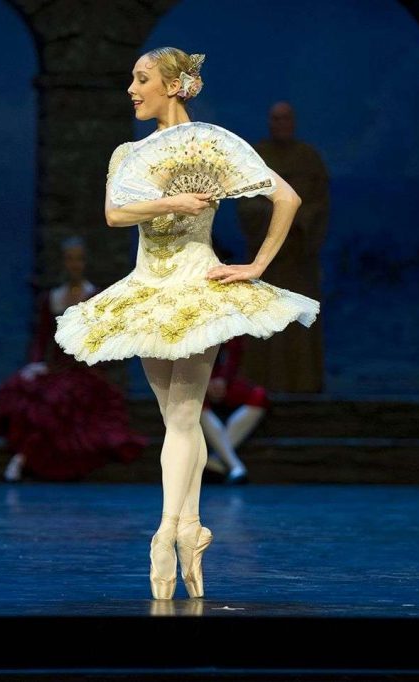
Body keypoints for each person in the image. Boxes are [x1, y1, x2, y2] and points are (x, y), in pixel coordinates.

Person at [54, 48, 319, 599]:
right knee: (180, 418)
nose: (131, 88)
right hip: (148, 286)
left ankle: (167, 531)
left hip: (197, 282)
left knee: (181, 416)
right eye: (132, 78)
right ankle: (191, 529)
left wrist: (257, 265)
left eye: (142, 78)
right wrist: (169, 200)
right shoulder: (128, 152)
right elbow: (114, 213)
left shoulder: (210, 144)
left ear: (175, 85)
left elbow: (287, 198)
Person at [0, 237, 145, 482]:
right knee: (23, 391)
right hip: (56, 368)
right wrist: (35, 364)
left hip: (85, 370)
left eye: (79, 259)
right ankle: (23, 456)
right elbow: (42, 338)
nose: (74, 265)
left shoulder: (94, 295)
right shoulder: (53, 298)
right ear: (63, 263)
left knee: (61, 399)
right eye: (69, 259)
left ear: (85, 262)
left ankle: (24, 458)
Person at [236, 102, 329, 392]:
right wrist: (275, 215)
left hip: (298, 261)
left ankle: (304, 384)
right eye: (275, 118)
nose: (281, 124)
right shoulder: (256, 158)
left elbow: (320, 205)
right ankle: (259, 386)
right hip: (265, 263)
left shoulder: (309, 159)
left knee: (298, 321)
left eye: (286, 118)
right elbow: (246, 203)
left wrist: (298, 219)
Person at [201, 335, 269, 485]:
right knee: (192, 401)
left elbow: (234, 352)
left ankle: (216, 460)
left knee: (258, 396)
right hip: (195, 379)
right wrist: (205, 380)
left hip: (223, 380)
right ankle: (235, 465)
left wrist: (223, 379)